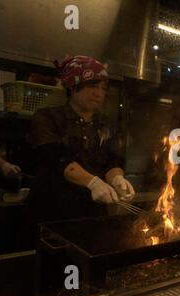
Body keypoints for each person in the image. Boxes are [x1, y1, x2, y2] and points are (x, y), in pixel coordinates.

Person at [21, 56, 135, 248]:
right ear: (73, 86)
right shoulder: (47, 117)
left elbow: (112, 161)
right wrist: (92, 182)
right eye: (92, 86)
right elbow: (56, 158)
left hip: (92, 215)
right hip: (52, 212)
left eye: (103, 88)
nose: (99, 93)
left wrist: (117, 179)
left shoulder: (106, 124)